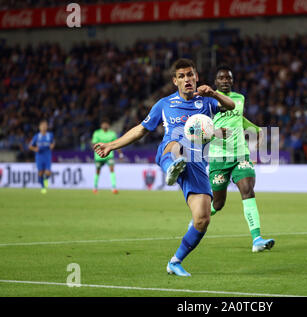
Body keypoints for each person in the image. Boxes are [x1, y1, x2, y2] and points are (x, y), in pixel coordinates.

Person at [93, 58, 235, 276]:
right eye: (182, 76)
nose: (187, 79)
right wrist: (111, 145)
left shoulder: (206, 101)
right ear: (174, 81)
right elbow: (141, 129)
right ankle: (171, 167)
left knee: (202, 219)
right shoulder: (164, 104)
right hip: (171, 150)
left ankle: (175, 262)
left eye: (190, 75)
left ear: (196, 77)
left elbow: (231, 105)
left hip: (196, 164)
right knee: (178, 139)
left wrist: (214, 94)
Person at [207, 65, 275, 252]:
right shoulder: (207, 102)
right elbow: (198, 129)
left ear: (232, 81)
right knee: (218, 204)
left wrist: (256, 129)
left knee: (247, 189)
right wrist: (214, 132)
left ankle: (257, 240)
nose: (225, 81)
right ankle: (200, 217)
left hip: (240, 154)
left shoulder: (239, 98)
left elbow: (238, 119)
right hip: (218, 157)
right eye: (221, 78)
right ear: (216, 82)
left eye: (228, 78)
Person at [91, 119, 123, 194]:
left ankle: (114, 187)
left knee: (112, 169)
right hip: (99, 156)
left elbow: (116, 144)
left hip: (109, 156)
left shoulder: (112, 134)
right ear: (101, 125)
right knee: (97, 171)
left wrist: (120, 154)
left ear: (108, 125)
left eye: (106, 123)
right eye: (103, 123)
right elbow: (94, 144)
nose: (105, 125)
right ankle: (95, 187)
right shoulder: (97, 133)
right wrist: (98, 150)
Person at [29, 120, 54, 194]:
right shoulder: (36, 136)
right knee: (40, 172)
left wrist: (52, 146)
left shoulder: (50, 135)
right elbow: (30, 146)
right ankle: (43, 187)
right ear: (39, 127)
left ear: (47, 127)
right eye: (42, 126)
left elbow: (53, 142)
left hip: (47, 156)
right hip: (39, 156)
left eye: (45, 125)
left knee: (48, 172)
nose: (44, 127)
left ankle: (45, 179)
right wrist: (34, 149)